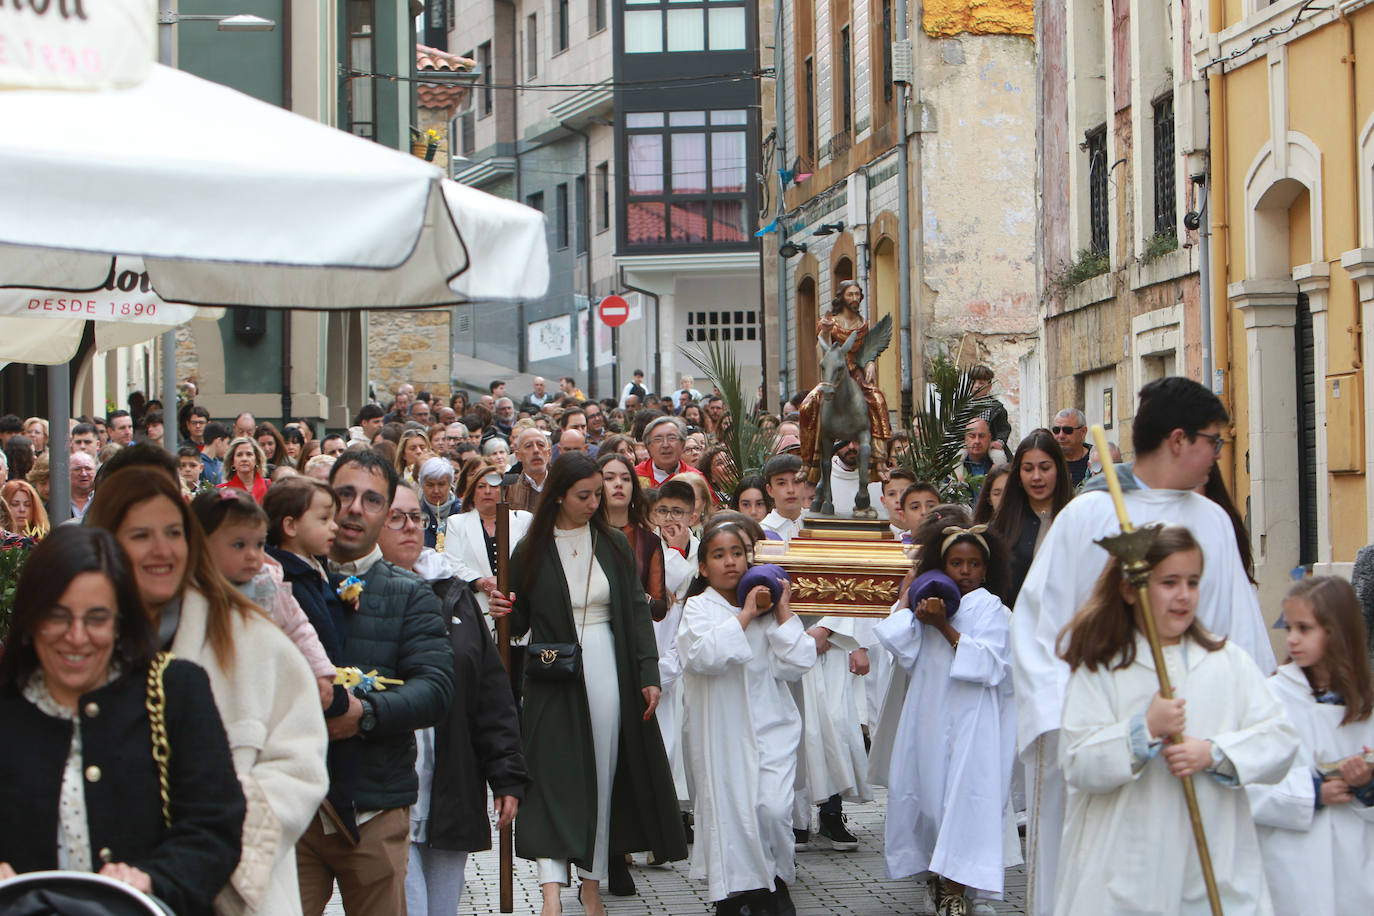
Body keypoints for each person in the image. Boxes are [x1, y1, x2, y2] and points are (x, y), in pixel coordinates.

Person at [1011, 377, 1278, 916]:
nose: (1217, 456)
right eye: (1214, 442)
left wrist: (1224, 723)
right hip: (1099, 724)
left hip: (1192, 733)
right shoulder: (1087, 517)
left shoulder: (1212, 523)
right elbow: (1040, 630)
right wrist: (1076, 718)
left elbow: (1237, 638)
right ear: (1178, 440)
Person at [85, 468, 329, 916]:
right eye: (140, 535)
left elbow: (300, 767)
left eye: (174, 533)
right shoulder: (75, 646)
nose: (162, 550)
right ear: (106, 543)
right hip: (107, 892)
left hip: (232, 894)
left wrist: (215, 834)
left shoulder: (255, 637)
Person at [0, 526, 247, 916]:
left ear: (120, 622)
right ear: (30, 621)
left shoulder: (175, 689)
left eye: (96, 619)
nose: (77, 637)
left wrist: (151, 879)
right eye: (57, 617)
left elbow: (214, 825)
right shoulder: (8, 704)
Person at [1054, 526, 1298, 916]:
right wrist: (1143, 730)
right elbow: (1078, 763)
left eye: (1192, 582)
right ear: (1131, 589)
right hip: (1127, 872)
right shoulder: (1104, 668)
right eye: (1169, 582)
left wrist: (1214, 753)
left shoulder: (1227, 661)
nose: (1184, 595)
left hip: (1214, 865)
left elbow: (1280, 739)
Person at [488, 453, 687, 916]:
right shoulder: (530, 550)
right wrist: (501, 607)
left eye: (598, 493)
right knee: (551, 774)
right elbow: (516, 621)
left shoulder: (614, 544)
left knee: (601, 772)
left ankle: (592, 881)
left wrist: (648, 674)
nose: (595, 502)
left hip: (606, 665)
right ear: (558, 494)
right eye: (585, 495)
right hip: (551, 672)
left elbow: (638, 615)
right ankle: (550, 888)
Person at [296, 450, 455, 914]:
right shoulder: (283, 579)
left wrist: (364, 714)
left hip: (375, 803)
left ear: (386, 513)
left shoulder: (411, 595)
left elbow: (435, 688)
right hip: (295, 802)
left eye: (370, 500)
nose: (354, 509)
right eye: (344, 494)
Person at [874, 521, 1016, 916]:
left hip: (974, 721)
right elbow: (897, 643)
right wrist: (912, 598)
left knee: (965, 802)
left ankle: (956, 888)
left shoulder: (989, 606)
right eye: (956, 563)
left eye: (973, 564)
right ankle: (939, 879)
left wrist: (944, 626)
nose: (965, 572)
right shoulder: (928, 602)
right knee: (931, 803)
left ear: (986, 569)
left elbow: (989, 664)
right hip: (930, 716)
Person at [678, 522, 817, 915]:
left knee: (772, 809)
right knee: (733, 810)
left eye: (737, 553)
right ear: (703, 567)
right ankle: (739, 892)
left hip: (772, 726)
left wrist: (782, 608)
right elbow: (703, 656)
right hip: (722, 732)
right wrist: (745, 614)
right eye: (719, 555)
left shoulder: (769, 606)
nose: (730, 562)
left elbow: (800, 661)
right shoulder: (699, 607)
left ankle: (774, 879)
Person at [402, 515, 528, 916]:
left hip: (451, 780)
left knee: (442, 907)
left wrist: (506, 774)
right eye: (393, 517)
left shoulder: (454, 596)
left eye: (412, 517)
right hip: (387, 790)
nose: (406, 527)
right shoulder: (356, 593)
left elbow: (489, 695)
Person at [1246, 576, 1374, 914]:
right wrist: (1313, 792)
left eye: (1305, 629)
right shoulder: (1269, 698)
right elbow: (1245, 785)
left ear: (1336, 631)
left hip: (1355, 867)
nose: (1292, 640)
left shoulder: (1365, 704)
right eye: (1289, 629)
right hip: (1292, 866)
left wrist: (1366, 785)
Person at [262, 478, 364, 848]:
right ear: (290, 527)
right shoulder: (288, 580)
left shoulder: (312, 568)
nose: (335, 526)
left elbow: (323, 582)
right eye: (323, 519)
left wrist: (342, 586)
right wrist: (340, 701)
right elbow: (315, 644)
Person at [191, 488, 336, 707]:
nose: (252, 555)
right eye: (239, 545)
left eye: (259, 544)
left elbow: (298, 627)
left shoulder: (267, 583)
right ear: (202, 545)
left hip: (264, 683)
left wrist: (320, 671)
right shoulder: (193, 591)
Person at [799, 281, 892, 480]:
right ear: (842, 297)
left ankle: (880, 459)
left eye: (857, 294)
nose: (855, 298)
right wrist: (824, 331)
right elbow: (821, 352)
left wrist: (870, 364)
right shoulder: (830, 322)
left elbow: (867, 351)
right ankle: (807, 461)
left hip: (856, 376)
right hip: (835, 375)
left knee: (878, 400)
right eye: (850, 294)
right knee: (807, 406)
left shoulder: (863, 324)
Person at [989, 430, 1074, 607]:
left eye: (1045, 468)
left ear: (1058, 469)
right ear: (1018, 474)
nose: (1037, 477)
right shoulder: (1002, 526)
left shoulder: (1076, 519)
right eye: (1028, 469)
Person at [601, 453, 669, 623]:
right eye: (609, 478)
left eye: (626, 479)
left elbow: (659, 609)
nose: (618, 484)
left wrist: (643, 599)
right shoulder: (584, 533)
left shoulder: (649, 541)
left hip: (631, 629)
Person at [635, 416, 699, 488]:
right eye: (658, 439)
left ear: (682, 445)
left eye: (671, 438)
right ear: (648, 447)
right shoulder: (635, 477)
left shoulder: (695, 479)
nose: (665, 445)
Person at [760, 454, 808, 542]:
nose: (790, 490)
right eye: (782, 483)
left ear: (804, 485)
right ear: (770, 490)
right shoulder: (761, 533)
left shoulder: (816, 525)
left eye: (796, 481)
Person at [969, 365, 1012, 453]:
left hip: (990, 444)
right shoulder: (964, 405)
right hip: (968, 444)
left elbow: (1004, 428)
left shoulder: (996, 408)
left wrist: (999, 442)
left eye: (981, 383)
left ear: (989, 386)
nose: (976, 386)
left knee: (999, 457)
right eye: (973, 382)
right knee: (957, 459)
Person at [417, 457, 458, 550]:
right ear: (422, 485)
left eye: (441, 484)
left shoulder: (463, 511)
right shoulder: (414, 514)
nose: (436, 491)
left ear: (450, 484)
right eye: (430, 485)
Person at [218, 436, 270, 504]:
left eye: (249, 454)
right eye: (239, 455)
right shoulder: (221, 491)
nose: (244, 459)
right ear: (232, 461)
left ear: (257, 460)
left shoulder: (269, 486)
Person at [1050, 409, 1092, 487]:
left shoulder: (1098, 459)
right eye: (1056, 430)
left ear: (1083, 432)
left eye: (1067, 430)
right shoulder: (1047, 460)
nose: (1061, 435)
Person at [69, 450, 97, 519]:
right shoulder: (57, 501)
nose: (83, 474)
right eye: (77, 469)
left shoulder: (104, 500)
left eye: (88, 469)